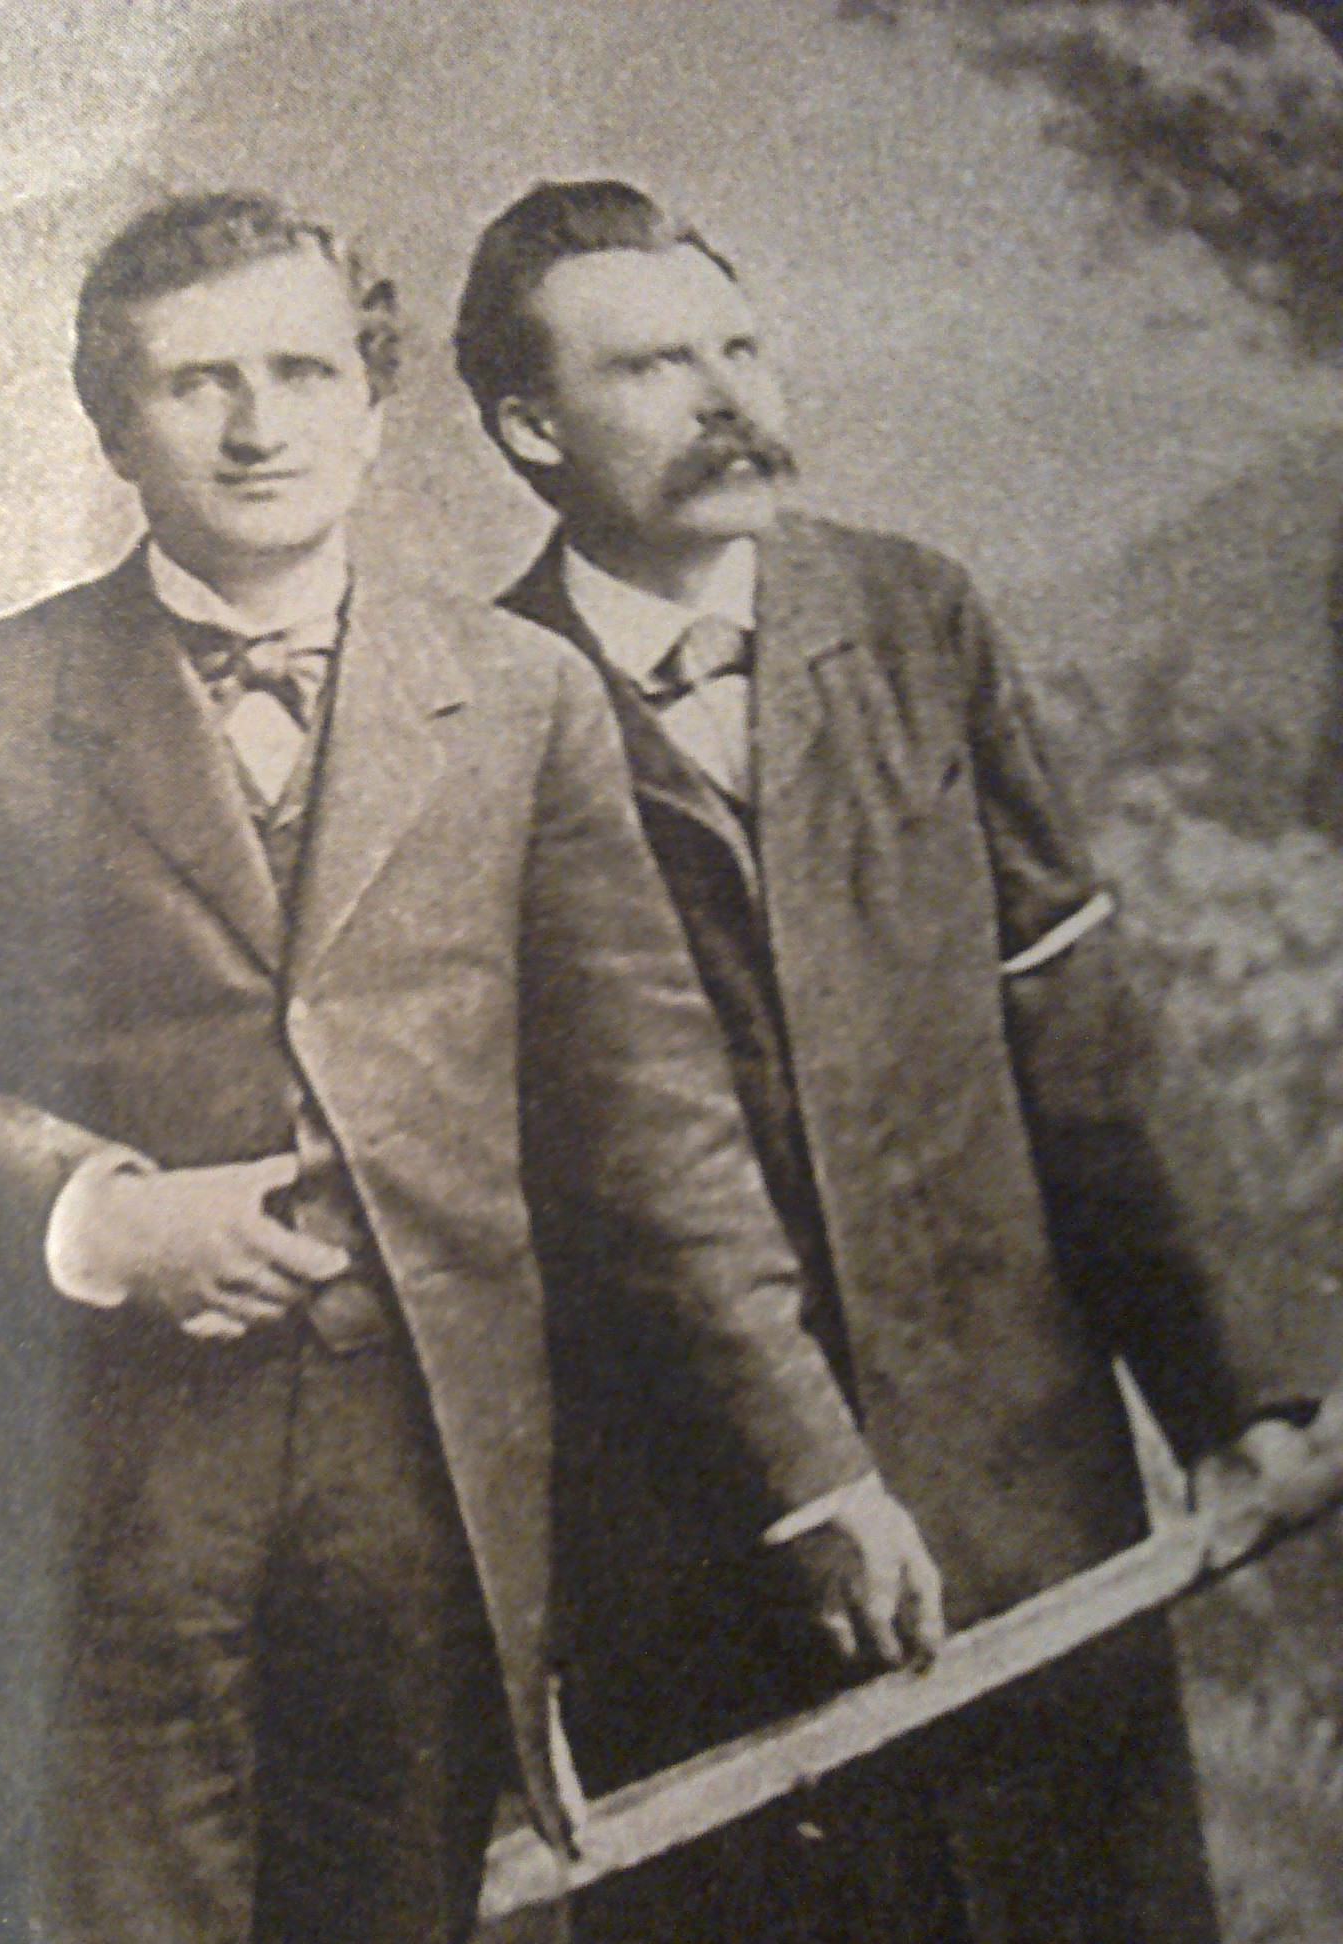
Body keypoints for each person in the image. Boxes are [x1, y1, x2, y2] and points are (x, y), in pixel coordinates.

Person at [0, 191, 940, 1944]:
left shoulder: (523, 696)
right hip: (98, 1501)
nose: (258, 426)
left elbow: (656, 1129)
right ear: (112, 425)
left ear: (376, 404)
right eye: (197, 384)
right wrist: (102, 1215)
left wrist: (818, 1471)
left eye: (303, 372)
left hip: (426, 1498)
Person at [453, 177, 1323, 1944]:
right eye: (650, 368)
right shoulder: (472, 706)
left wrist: (1239, 1399)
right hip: (693, 1546)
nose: (726, 398)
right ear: (529, 427)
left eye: (739, 346)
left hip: (1021, 1498)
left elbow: (1076, 1030)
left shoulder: (916, 618)